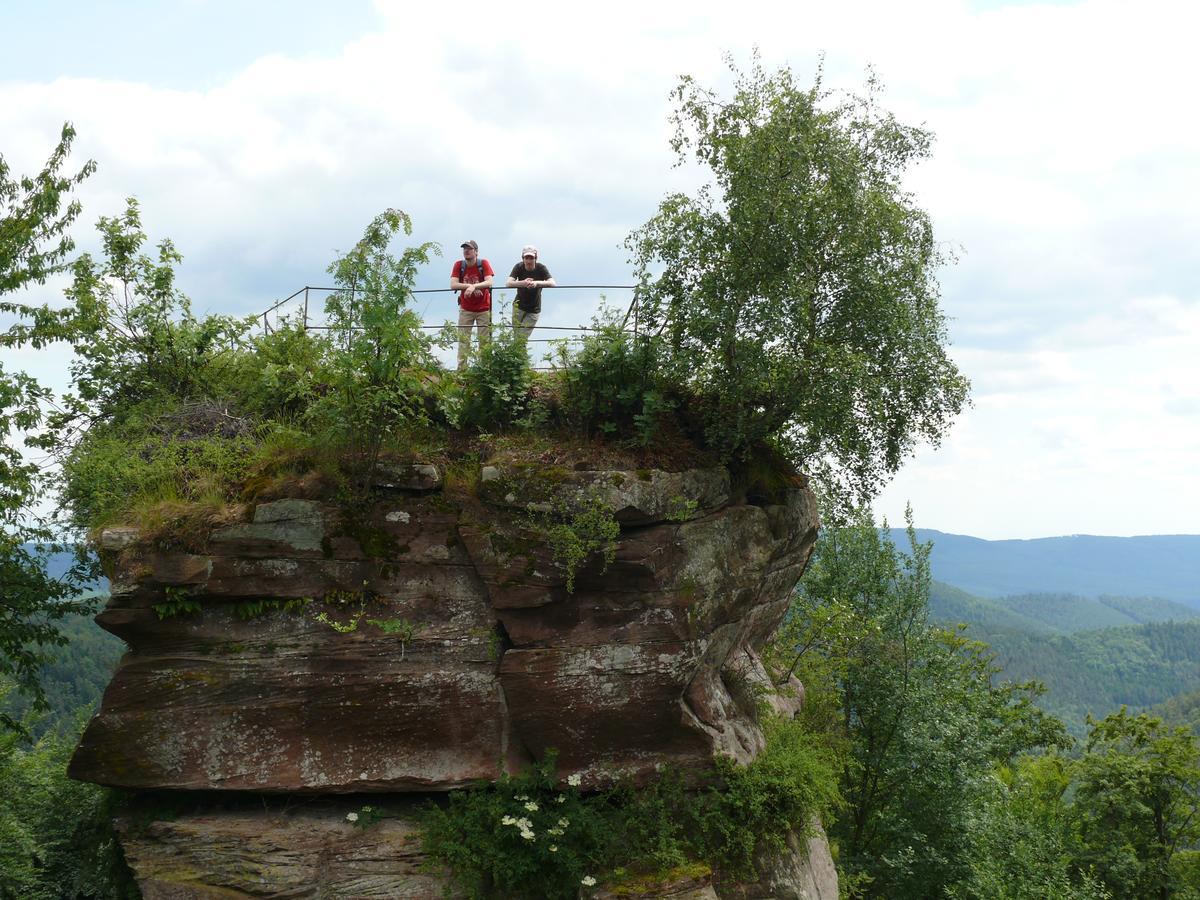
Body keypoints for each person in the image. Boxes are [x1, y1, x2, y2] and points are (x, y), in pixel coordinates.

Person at [450, 239, 494, 370]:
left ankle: (485, 370)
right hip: (466, 308)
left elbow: (489, 282)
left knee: (484, 341)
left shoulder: (483, 263)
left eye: (469, 248)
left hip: (484, 308)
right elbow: (453, 285)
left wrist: (473, 287)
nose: (466, 251)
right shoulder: (459, 265)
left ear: (476, 251)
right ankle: (462, 371)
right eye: (464, 248)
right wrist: (470, 286)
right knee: (464, 340)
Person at [505, 245, 555, 342]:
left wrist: (536, 283)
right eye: (526, 257)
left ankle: (521, 357)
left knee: (521, 338)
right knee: (516, 337)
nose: (528, 261)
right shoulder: (518, 267)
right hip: (518, 306)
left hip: (534, 309)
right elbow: (508, 283)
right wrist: (522, 283)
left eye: (531, 258)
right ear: (522, 258)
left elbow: (553, 283)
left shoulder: (541, 268)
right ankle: (519, 357)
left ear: (536, 258)